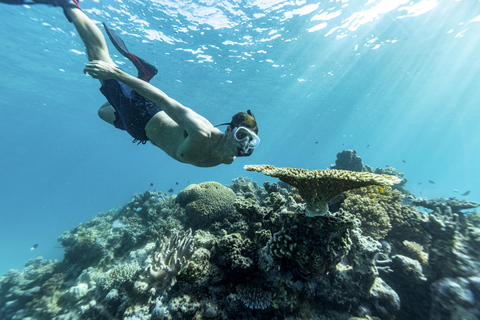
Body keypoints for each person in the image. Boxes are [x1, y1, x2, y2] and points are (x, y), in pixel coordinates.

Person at [0, 0, 260, 167]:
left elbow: (228, 155)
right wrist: (116, 73)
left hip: (140, 131)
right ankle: (71, 6)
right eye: (241, 135)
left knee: (103, 112)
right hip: (143, 114)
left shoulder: (228, 157)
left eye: (250, 141)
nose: (243, 144)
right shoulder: (202, 131)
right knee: (99, 59)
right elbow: (165, 101)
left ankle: (141, 77)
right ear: (229, 130)